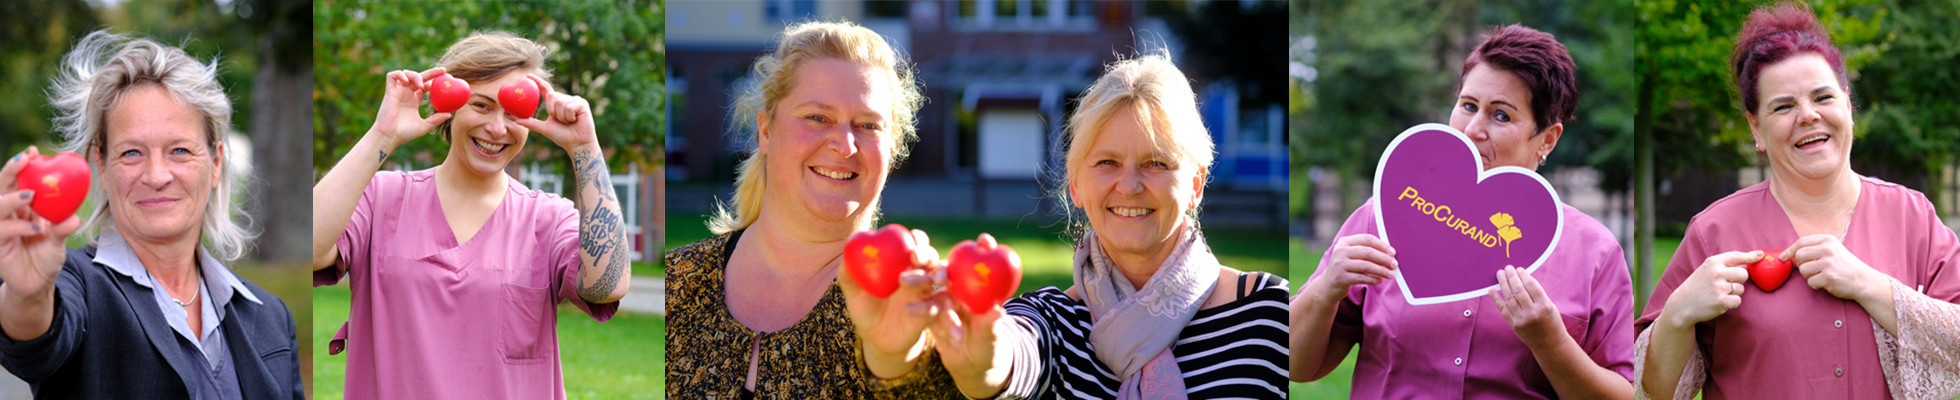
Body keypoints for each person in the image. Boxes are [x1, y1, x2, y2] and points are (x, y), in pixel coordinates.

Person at [856, 53, 1292, 399]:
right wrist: (981, 362)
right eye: (1107, 163)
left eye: (1156, 163)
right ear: (1076, 186)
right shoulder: (1050, 319)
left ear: (1195, 184)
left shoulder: (1270, 311)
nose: (1130, 185)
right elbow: (1011, 356)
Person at [1291, 24, 1638, 399]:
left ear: (1547, 139)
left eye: (1501, 116)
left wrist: (1551, 342)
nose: (1473, 129)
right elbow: (1298, 367)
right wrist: (1326, 289)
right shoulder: (1385, 216)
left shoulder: (1593, 252)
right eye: (1468, 106)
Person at [1635, 3, 1960, 399]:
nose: (1808, 116)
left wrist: (1870, 286)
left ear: (1847, 105)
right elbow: (1654, 389)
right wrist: (1678, 314)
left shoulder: (1913, 216)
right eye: (1783, 106)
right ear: (1756, 127)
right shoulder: (1713, 231)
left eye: (1822, 97)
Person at [311, 31, 630, 399]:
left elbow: (607, 286)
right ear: (449, 106)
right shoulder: (382, 198)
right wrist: (383, 135)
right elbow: (312, 247)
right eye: (481, 105)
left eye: (514, 112)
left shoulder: (548, 219)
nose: (497, 128)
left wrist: (585, 148)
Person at [0, 30, 302, 399]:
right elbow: (34, 348)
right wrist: (28, 295)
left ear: (216, 162)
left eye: (179, 150)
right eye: (131, 153)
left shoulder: (271, 315)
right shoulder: (73, 283)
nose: (156, 176)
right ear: (103, 165)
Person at [662, 21, 957, 398]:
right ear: (766, 131)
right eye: (818, 117)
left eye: (868, 125)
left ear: (893, 149)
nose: (845, 145)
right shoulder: (678, 282)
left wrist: (897, 360)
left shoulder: (917, 302)